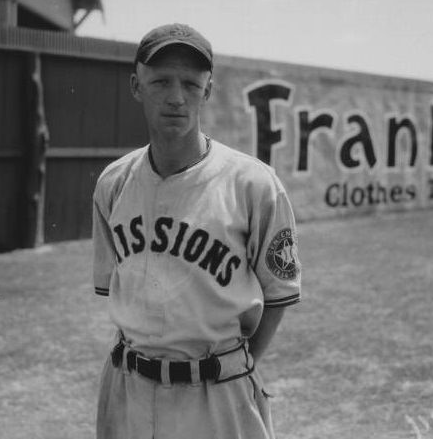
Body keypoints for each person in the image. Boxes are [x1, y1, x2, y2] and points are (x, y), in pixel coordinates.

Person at [92, 23, 301, 439]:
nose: (175, 97)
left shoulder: (253, 184)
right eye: (160, 82)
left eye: (191, 84)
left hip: (219, 390)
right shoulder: (113, 183)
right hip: (129, 386)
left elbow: (279, 295)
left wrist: (236, 368)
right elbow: (110, 284)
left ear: (208, 91)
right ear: (136, 86)